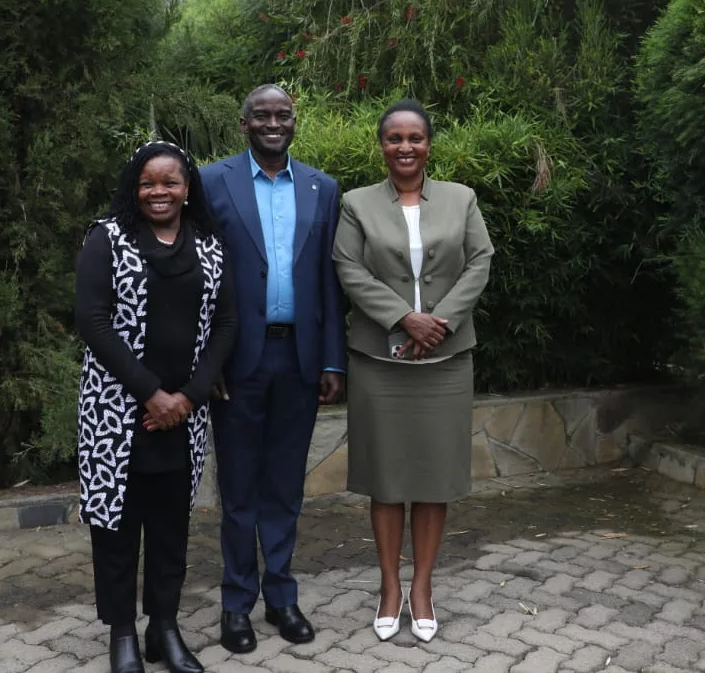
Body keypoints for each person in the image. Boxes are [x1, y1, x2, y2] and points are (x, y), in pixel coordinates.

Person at [332, 98, 494, 642]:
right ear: (381, 145)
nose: (405, 147)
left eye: (415, 138)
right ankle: (387, 586)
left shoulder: (461, 198)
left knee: (431, 479)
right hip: (380, 359)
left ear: (429, 145)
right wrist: (404, 318)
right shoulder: (356, 203)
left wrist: (439, 322)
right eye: (395, 138)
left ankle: (422, 587)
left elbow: (480, 261)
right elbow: (347, 268)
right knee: (386, 477)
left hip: (445, 360)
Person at [75, 140, 236, 673]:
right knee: (117, 527)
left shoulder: (210, 245)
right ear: (133, 186)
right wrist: (151, 393)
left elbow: (227, 323)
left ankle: (163, 628)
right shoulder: (107, 238)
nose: (159, 192)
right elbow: (93, 322)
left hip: (183, 421)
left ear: (188, 188)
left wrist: (188, 397)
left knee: (171, 528)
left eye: (171, 182)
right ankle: (122, 634)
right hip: (116, 415)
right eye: (149, 182)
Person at [199, 84, 347, 654]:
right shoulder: (213, 183)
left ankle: (281, 597)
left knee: (285, 487)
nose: (272, 122)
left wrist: (333, 357)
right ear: (243, 124)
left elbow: (330, 282)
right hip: (236, 362)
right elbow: (199, 275)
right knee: (238, 490)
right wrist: (208, 360)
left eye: (282, 114)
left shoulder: (322, 187)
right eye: (261, 115)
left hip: (301, 358)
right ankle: (236, 604)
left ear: (294, 121)